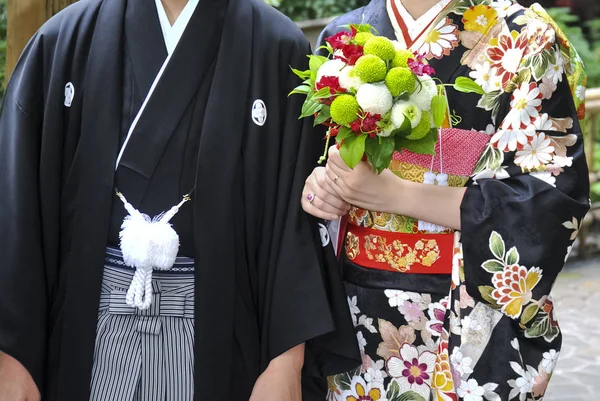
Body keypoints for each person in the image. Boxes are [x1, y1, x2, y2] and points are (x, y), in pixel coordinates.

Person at [0, 0, 359, 400]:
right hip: (84, 321)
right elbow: (15, 210)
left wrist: (286, 360)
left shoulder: (277, 46)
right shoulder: (63, 39)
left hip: (222, 328)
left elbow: (295, 226)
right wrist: (13, 355)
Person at [302, 0, 590, 399]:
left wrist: (400, 194)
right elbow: (314, 162)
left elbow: (547, 198)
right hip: (351, 314)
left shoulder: (526, 36)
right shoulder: (343, 36)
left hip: (465, 314)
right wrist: (320, 184)